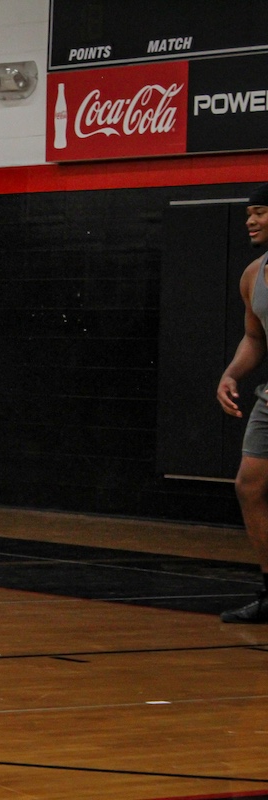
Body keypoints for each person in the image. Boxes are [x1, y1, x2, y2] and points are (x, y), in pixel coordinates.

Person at [216, 182, 268, 623]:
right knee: (249, 485)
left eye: (261, 212)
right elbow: (255, 338)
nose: (251, 220)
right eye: (249, 212)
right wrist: (232, 373)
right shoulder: (253, 274)